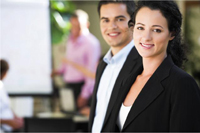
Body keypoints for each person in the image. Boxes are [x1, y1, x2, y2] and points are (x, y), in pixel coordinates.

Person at [105, 1, 200, 132]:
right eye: (140, 28)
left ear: (172, 34)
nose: (146, 37)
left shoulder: (182, 84)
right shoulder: (127, 79)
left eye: (156, 30)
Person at [89, 0, 143, 132]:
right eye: (105, 20)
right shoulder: (102, 65)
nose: (111, 26)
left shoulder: (144, 64)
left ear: (133, 22)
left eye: (119, 19)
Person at [52, 9, 101, 110]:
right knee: (68, 117)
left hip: (81, 87)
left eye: (78, 25)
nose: (75, 29)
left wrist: (85, 94)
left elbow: (91, 72)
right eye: (72, 25)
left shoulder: (91, 43)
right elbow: (68, 61)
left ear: (86, 25)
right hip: (69, 86)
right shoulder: (70, 40)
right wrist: (59, 71)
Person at [0, 59, 24, 132]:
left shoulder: (1, 86)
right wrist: (8, 122)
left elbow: (6, 105)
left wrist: (15, 117)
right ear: (4, 73)